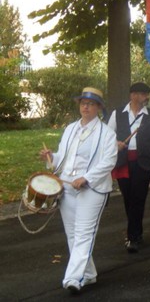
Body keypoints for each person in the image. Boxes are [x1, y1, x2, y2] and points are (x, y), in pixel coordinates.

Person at [39, 87, 117, 294]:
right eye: (83, 103)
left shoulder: (107, 133)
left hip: (92, 189)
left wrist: (86, 178)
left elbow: (109, 161)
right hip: (67, 186)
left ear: (99, 107)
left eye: (91, 104)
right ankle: (89, 274)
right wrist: (51, 157)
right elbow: (64, 157)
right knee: (73, 234)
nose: (86, 107)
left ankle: (73, 278)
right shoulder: (70, 128)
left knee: (84, 234)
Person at [108, 82, 150, 253]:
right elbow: (108, 135)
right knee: (128, 198)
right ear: (133, 95)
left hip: (144, 163)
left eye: (147, 94)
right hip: (123, 162)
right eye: (143, 94)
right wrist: (115, 143)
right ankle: (135, 232)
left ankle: (133, 236)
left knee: (138, 198)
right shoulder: (118, 113)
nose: (146, 97)